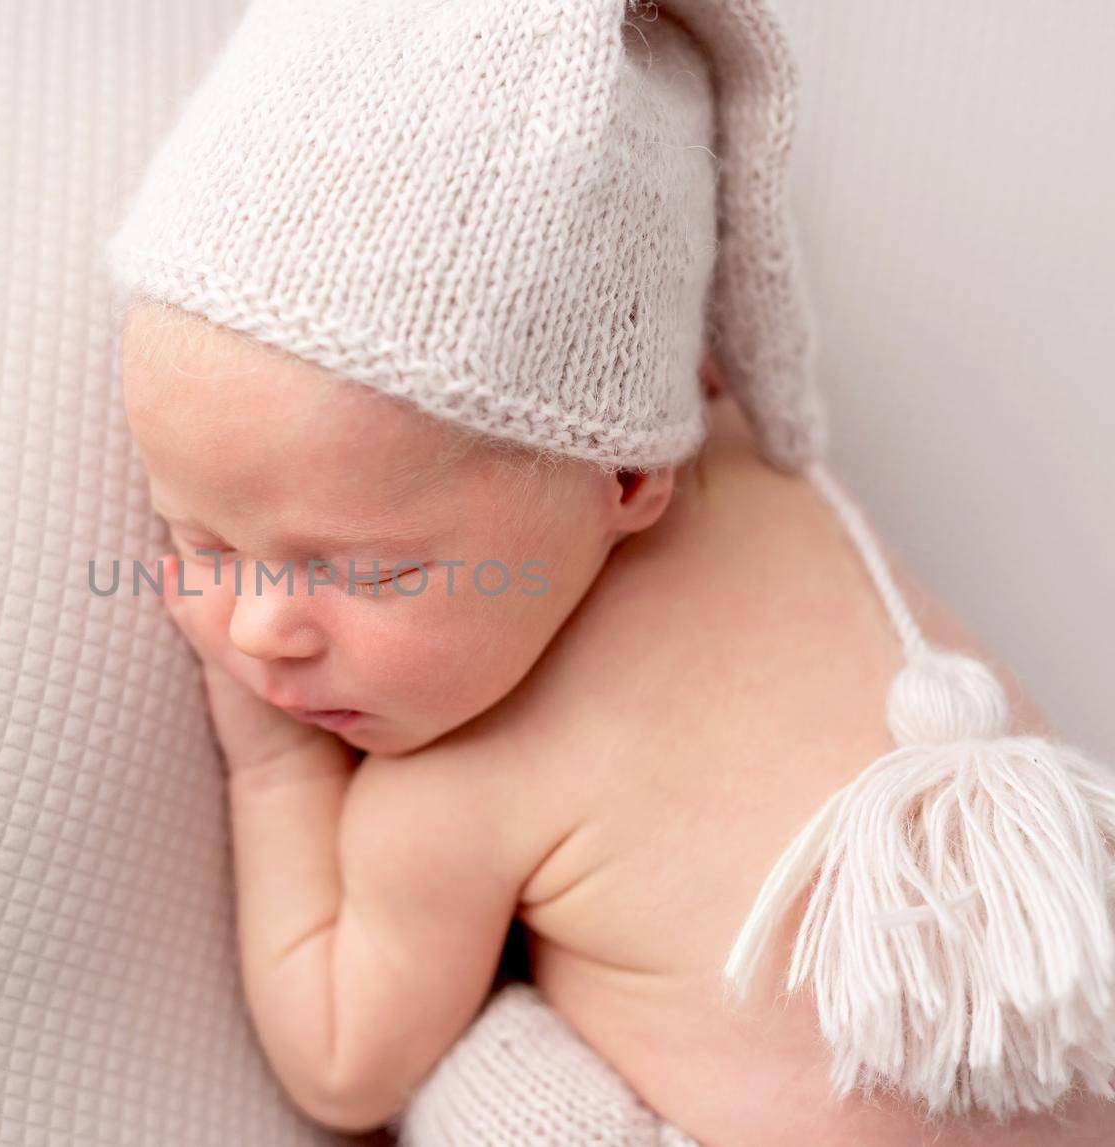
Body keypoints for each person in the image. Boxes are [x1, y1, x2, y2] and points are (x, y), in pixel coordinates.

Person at [107, 2, 1115, 1142]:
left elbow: (342, 1069)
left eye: (371, 573)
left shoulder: (456, 786)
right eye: (201, 545)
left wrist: (276, 769)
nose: (257, 633)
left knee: (480, 1081)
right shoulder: (743, 463)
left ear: (630, 475)